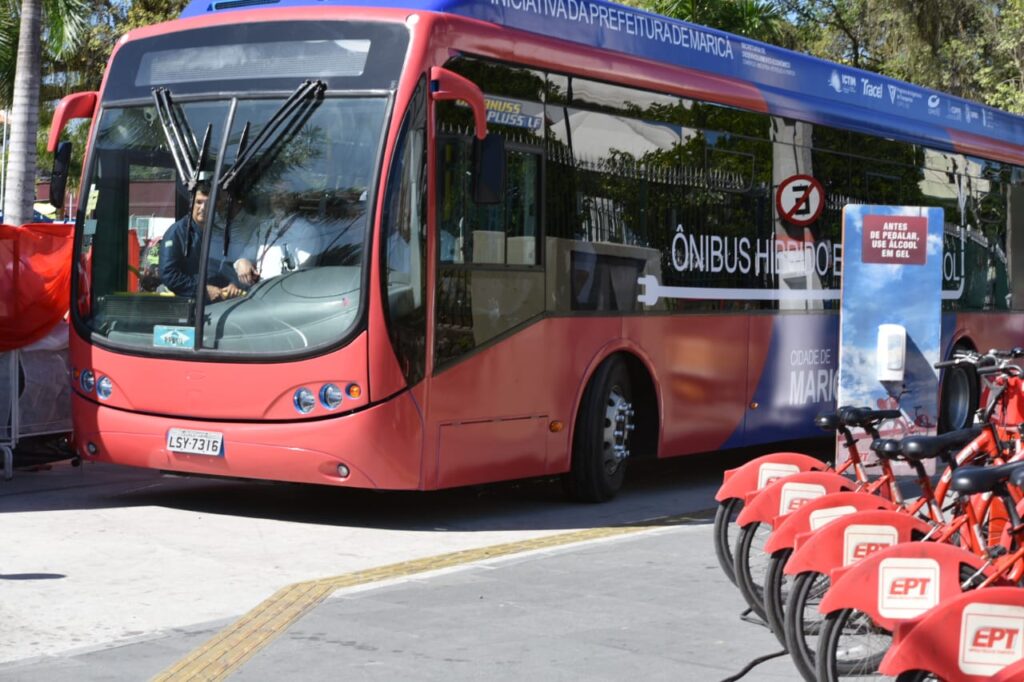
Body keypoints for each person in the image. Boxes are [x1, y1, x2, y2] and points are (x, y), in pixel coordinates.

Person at [159, 184, 259, 301]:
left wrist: (234, 283)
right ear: (191, 203)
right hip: (191, 305)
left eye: (208, 203)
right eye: (199, 202)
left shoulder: (220, 230)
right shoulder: (177, 233)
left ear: (218, 205)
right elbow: (169, 275)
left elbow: (227, 264)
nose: (203, 208)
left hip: (223, 300)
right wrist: (202, 290)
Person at [253, 179, 323, 278]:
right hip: (259, 289)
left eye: (285, 194)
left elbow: (299, 275)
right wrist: (242, 262)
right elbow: (247, 254)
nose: (278, 199)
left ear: (295, 199)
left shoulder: (306, 231)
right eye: (275, 194)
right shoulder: (263, 227)